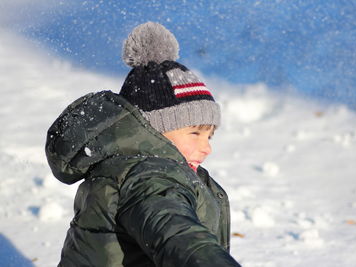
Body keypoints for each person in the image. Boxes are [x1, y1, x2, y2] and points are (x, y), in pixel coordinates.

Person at [45, 22, 241, 266]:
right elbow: (177, 235)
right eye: (194, 133)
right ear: (152, 129)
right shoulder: (148, 178)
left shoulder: (131, 169)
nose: (207, 148)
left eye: (209, 136)